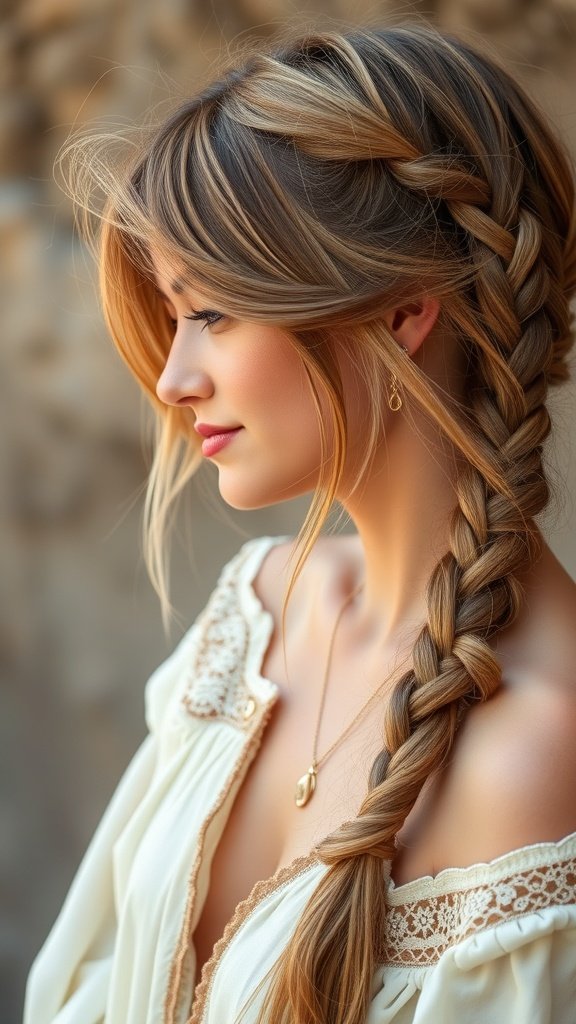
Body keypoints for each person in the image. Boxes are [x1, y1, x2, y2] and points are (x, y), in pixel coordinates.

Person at [24, 20, 576, 1024]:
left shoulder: (535, 755)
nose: (172, 378)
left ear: (403, 311)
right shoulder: (257, 615)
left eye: (214, 313)